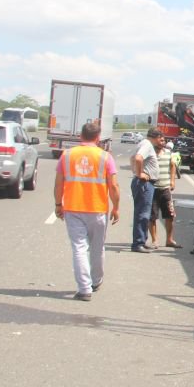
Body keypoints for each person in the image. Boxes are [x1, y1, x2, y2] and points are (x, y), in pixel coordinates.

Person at [54, 122, 121, 301]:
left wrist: (58, 205)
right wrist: (116, 207)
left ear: (80, 136)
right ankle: (96, 280)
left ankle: (84, 289)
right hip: (97, 209)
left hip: (73, 208)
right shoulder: (105, 157)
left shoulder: (67, 155)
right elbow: (113, 186)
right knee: (97, 248)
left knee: (79, 248)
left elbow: (59, 182)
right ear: (98, 137)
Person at [131, 128, 164, 253]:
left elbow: (133, 158)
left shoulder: (143, 143)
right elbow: (138, 158)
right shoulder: (147, 145)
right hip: (145, 183)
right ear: (156, 137)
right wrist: (139, 174)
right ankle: (138, 243)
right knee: (142, 214)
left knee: (143, 213)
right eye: (160, 138)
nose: (161, 141)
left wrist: (136, 172)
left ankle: (141, 241)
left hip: (145, 183)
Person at [148, 140, 181, 249]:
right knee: (152, 216)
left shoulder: (168, 153)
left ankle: (169, 240)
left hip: (165, 189)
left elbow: (173, 166)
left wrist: (172, 181)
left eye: (163, 141)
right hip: (153, 188)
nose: (161, 143)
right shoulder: (149, 153)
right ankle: (154, 240)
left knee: (170, 215)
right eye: (159, 140)